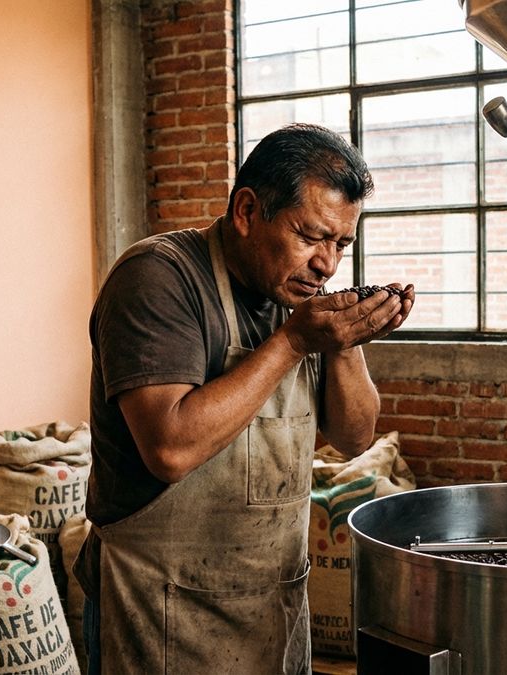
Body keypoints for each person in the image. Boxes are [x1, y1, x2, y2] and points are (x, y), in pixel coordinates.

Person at [73, 123, 415, 674]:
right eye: (310, 236)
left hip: (271, 608)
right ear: (248, 211)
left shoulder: (296, 291)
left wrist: (346, 339)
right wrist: (294, 342)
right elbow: (170, 449)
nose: (327, 264)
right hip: (160, 611)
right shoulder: (158, 278)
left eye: (341, 244)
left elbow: (354, 437)